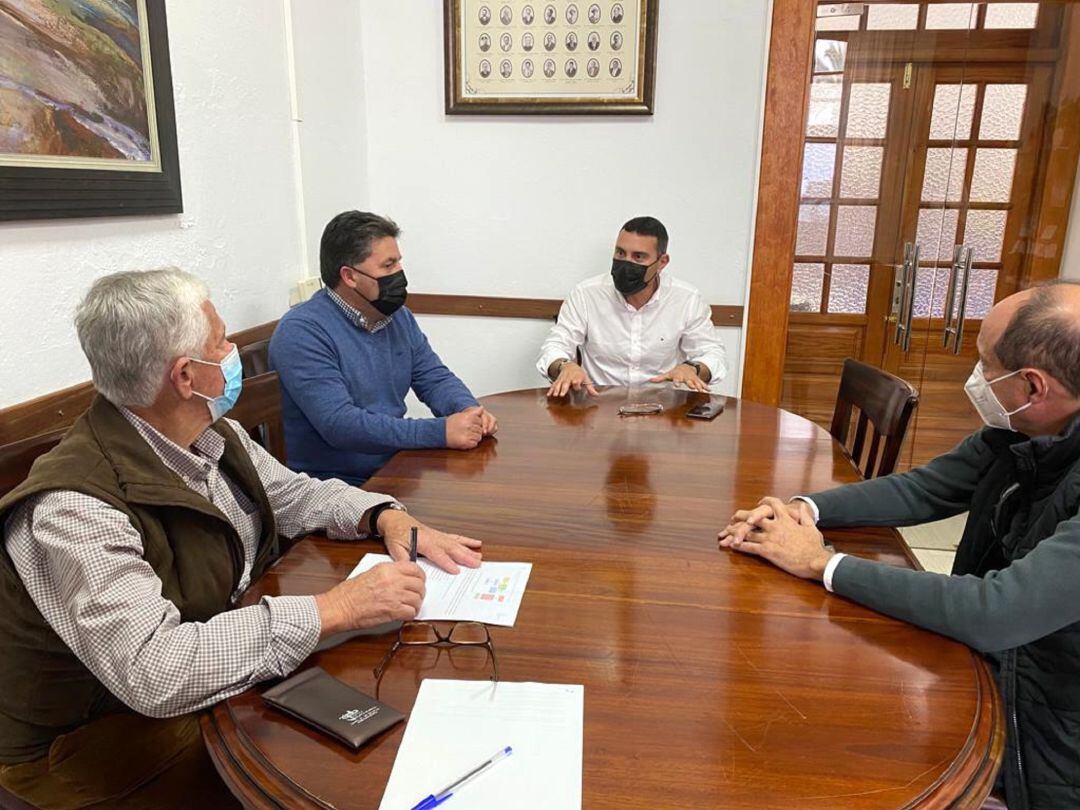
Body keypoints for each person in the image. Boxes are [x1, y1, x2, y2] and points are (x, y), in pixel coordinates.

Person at [0, 268, 483, 809]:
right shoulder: (75, 509)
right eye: (222, 342)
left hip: (205, 673)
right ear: (186, 376)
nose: (234, 352)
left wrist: (383, 516)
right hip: (94, 745)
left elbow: (295, 495)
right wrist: (333, 609)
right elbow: (155, 669)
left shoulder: (205, 431)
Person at [718, 280, 1080, 809]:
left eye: (984, 363)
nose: (974, 377)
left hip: (1044, 754)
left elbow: (996, 611)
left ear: (1032, 386)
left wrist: (821, 563)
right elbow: (927, 488)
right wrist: (804, 510)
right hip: (989, 678)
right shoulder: (1024, 430)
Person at [270, 212, 497, 486]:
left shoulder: (398, 317)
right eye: (388, 265)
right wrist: (440, 431)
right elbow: (340, 425)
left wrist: (469, 412)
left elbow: (434, 377)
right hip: (336, 487)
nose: (399, 273)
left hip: (396, 468)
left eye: (399, 262)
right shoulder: (302, 331)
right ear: (350, 276)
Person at [538, 216, 727, 397]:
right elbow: (555, 345)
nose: (626, 263)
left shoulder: (686, 298)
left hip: (663, 410)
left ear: (662, 262)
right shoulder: (586, 294)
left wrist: (693, 368)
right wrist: (565, 366)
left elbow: (712, 353)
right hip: (599, 407)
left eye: (638, 257)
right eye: (620, 253)